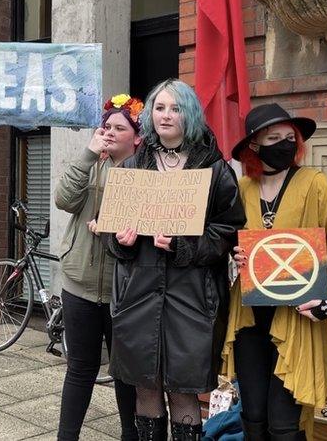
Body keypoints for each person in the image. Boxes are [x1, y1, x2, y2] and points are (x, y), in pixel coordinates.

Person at [106, 79, 246, 441]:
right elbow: (112, 234)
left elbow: (229, 230)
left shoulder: (214, 168)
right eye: (160, 107)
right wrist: (122, 241)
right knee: (145, 389)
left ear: (191, 114)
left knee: (184, 392)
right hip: (138, 295)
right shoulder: (133, 165)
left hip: (192, 296)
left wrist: (184, 244)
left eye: (176, 108)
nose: (166, 115)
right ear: (150, 114)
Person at [221, 103, 327, 441]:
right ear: (254, 146)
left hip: (296, 321)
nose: (284, 144)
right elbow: (225, 243)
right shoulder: (241, 188)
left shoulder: (315, 183)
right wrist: (234, 259)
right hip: (250, 319)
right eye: (273, 138)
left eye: (288, 137)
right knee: (253, 417)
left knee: (284, 424)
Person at [55, 94, 143, 441]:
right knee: (80, 369)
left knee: (125, 373)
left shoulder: (146, 170)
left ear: (136, 137)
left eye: (118, 127)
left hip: (126, 289)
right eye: (106, 126)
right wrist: (89, 153)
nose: (108, 132)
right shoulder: (91, 162)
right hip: (80, 284)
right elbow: (64, 199)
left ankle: (129, 434)